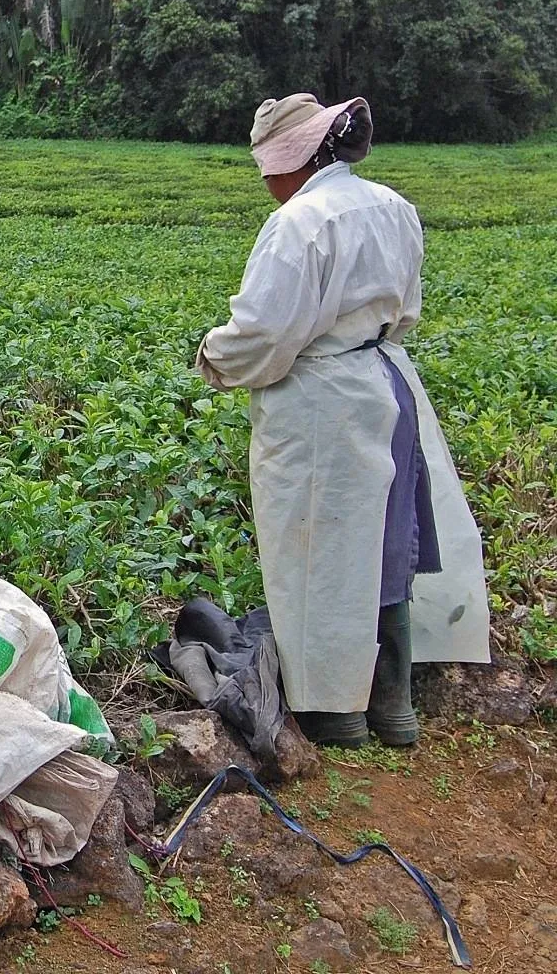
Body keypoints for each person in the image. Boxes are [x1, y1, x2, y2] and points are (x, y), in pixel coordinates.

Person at [196, 94, 490, 749]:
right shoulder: (392, 206)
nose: (267, 184)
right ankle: (393, 705)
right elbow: (405, 306)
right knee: (383, 542)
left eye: (267, 170)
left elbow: (265, 332)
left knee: (322, 552)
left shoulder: (299, 223)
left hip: (322, 403)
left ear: (289, 162)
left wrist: (213, 354)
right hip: (385, 382)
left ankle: (336, 713)